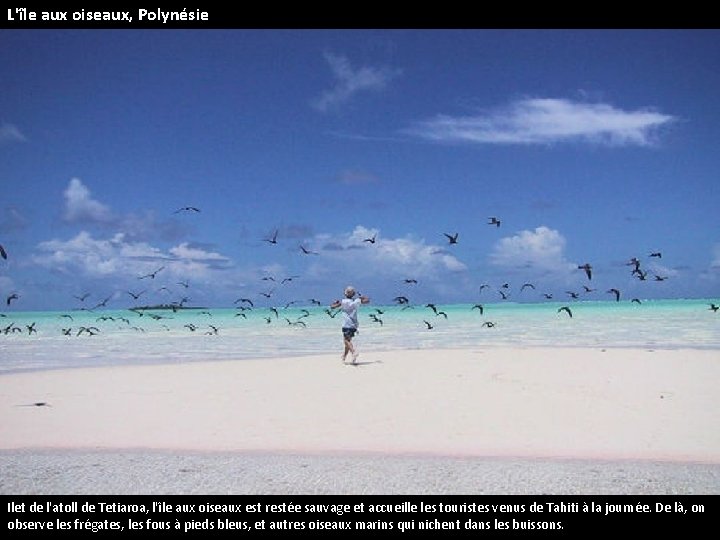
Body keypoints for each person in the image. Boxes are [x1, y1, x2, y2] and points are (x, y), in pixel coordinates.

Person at [329, 286, 370, 364]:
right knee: (348, 341)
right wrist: (362, 297)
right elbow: (367, 301)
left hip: (346, 324)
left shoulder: (343, 302)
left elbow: (332, 307)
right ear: (354, 294)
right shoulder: (357, 301)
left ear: (345, 293)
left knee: (346, 340)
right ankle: (344, 356)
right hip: (354, 325)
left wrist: (334, 303)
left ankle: (353, 352)